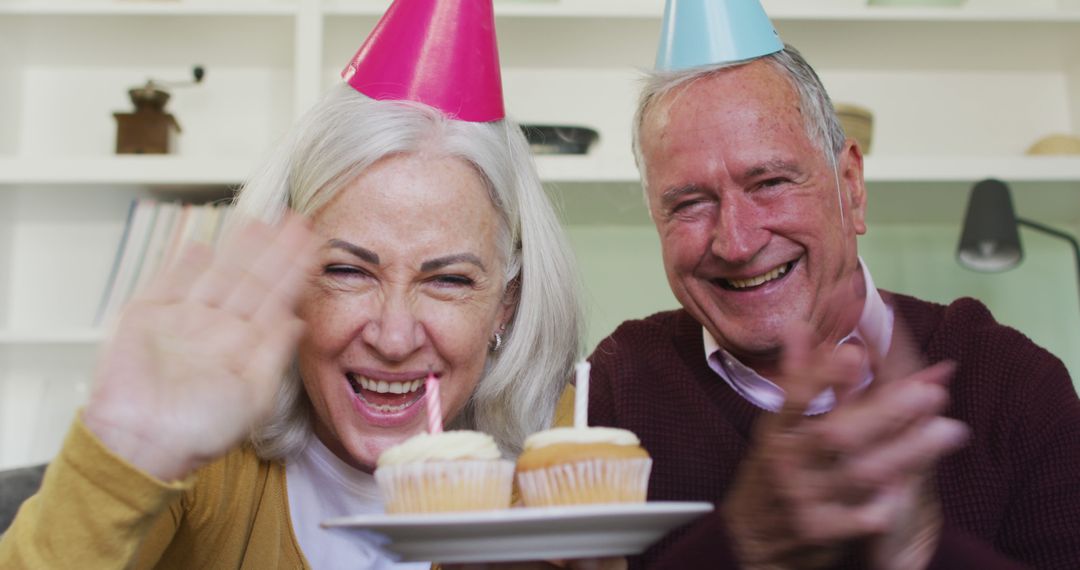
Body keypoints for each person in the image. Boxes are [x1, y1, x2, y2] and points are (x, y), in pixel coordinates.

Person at [0, 0, 583, 568]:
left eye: (449, 280)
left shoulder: (564, 465)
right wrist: (123, 457)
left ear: (505, 304)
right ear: (282, 283)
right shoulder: (208, 465)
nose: (395, 336)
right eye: (348, 271)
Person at [587, 1, 1080, 568]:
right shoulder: (619, 387)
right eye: (690, 203)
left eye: (770, 182)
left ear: (851, 186)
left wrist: (917, 547)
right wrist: (742, 542)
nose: (738, 243)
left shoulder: (1012, 381)